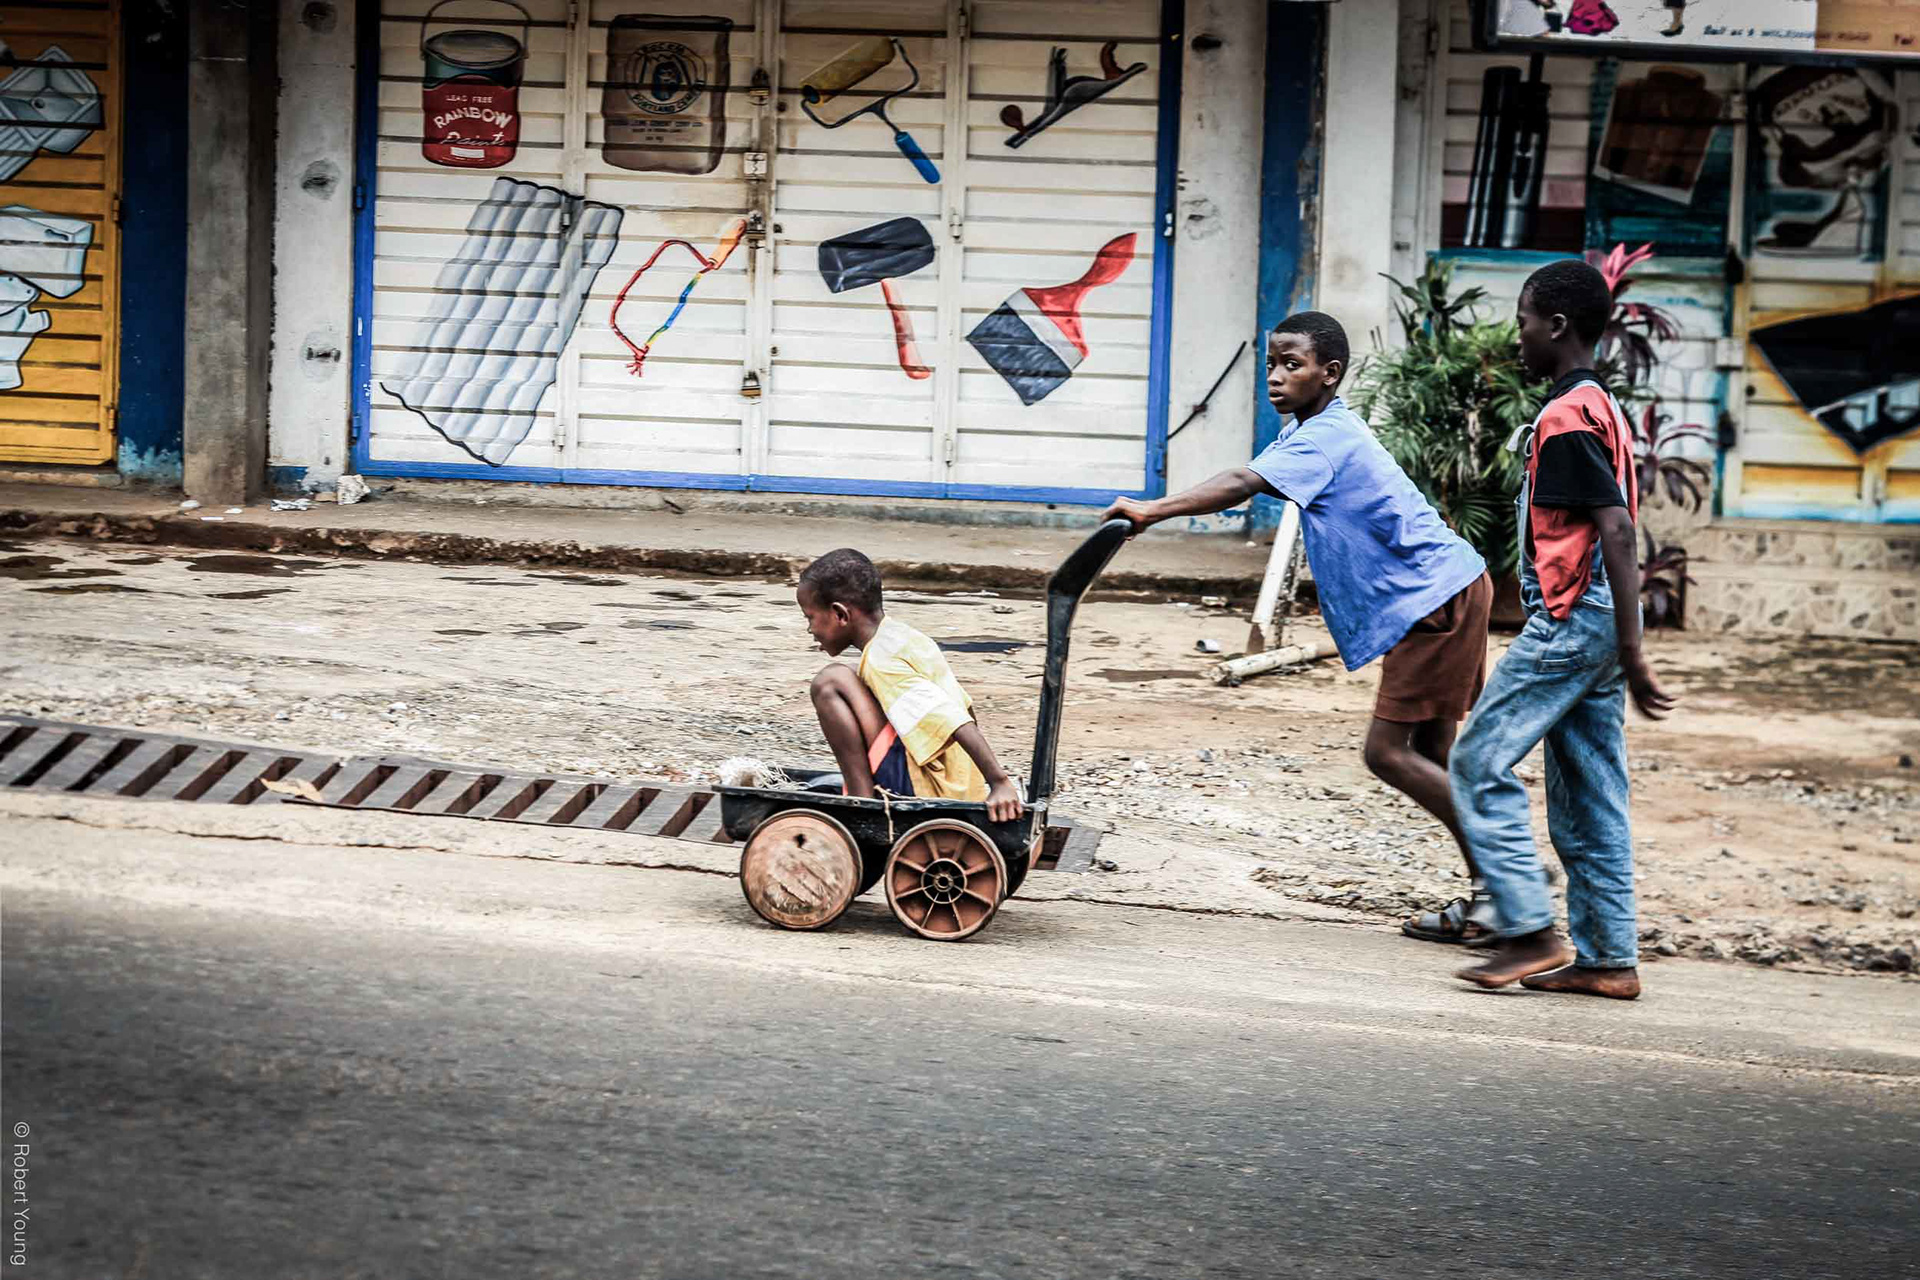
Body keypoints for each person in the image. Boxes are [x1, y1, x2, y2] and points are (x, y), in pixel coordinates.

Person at [1104, 312, 1495, 935]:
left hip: (1434, 600)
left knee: (1387, 753)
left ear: (1330, 373)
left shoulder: (1322, 439)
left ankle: (1508, 882)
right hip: (1448, 588)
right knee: (1436, 752)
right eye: (1271, 365)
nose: (1276, 377)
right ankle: (1498, 889)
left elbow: (1240, 480)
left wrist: (1153, 509)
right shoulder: (1312, 432)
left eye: (1293, 365)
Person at [1449, 258, 1676, 999]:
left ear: (1556, 326)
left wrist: (1633, 649)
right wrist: (1625, 642)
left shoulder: (1565, 416)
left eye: (1521, 322)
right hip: (1599, 623)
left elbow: (1614, 526)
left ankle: (1528, 930)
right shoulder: (1598, 404)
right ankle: (1610, 959)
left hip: (1575, 618)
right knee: (1588, 795)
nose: (1516, 337)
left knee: (1478, 761)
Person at [797, 548, 1024, 823]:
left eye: (810, 618)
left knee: (830, 682)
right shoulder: (900, 636)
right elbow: (964, 708)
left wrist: (999, 781)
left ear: (840, 615)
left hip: (931, 789)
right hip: (958, 782)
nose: (810, 630)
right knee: (847, 681)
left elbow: (953, 719)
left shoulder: (883, 661)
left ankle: (859, 802)